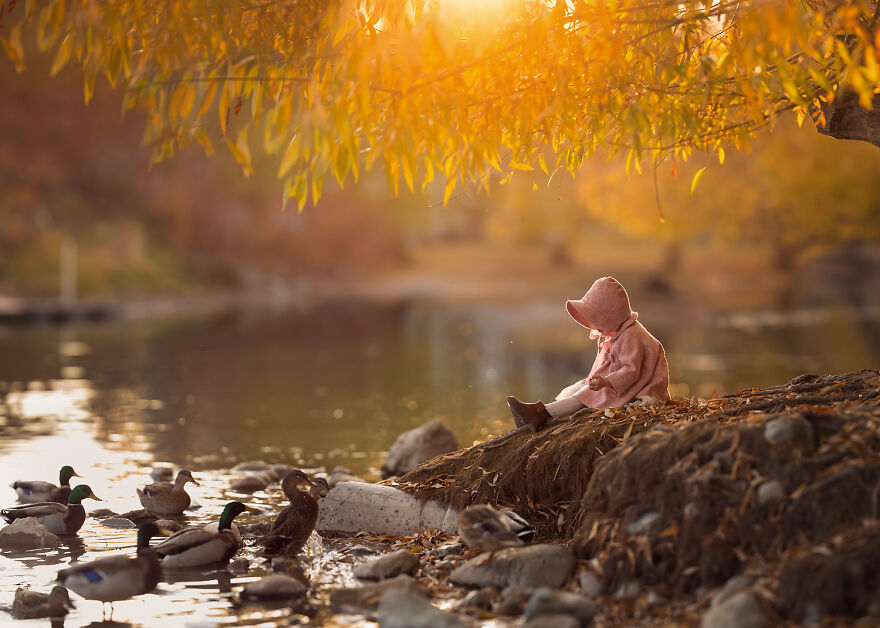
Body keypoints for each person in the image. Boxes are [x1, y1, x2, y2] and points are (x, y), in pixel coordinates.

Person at [508, 276, 670, 431]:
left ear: (612, 317)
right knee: (581, 388)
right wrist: (593, 380)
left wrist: (606, 382)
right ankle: (537, 415)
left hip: (643, 387)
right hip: (624, 383)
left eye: (598, 321)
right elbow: (606, 364)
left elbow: (631, 371)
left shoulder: (631, 336)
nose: (594, 327)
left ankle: (539, 413)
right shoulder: (620, 331)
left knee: (586, 395)